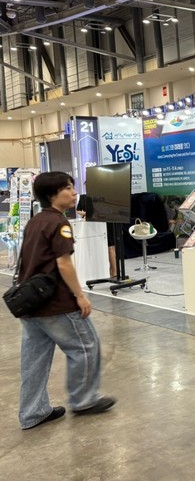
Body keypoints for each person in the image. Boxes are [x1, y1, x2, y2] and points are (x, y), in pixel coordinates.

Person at [16, 172, 115, 430]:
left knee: (34, 360)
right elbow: (64, 263)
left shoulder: (36, 221)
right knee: (86, 347)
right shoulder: (59, 223)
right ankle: (84, 400)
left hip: (30, 303)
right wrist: (80, 295)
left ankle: (32, 412)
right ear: (52, 195)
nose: (74, 193)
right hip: (56, 303)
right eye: (68, 188)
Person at [76, 187, 117, 278]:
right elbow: (78, 210)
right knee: (107, 247)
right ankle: (111, 270)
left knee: (111, 247)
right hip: (93, 225)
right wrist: (86, 214)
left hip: (107, 223)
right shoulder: (83, 197)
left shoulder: (101, 197)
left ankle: (114, 270)